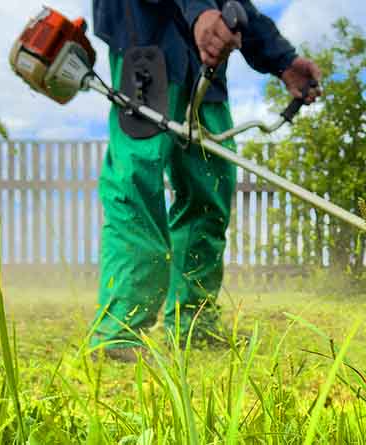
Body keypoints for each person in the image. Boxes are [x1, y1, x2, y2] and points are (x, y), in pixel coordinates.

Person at [89, 0, 322, 362]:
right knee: (137, 180)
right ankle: (121, 330)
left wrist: (283, 61)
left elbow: (235, 4)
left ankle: (192, 323)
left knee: (210, 188)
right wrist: (199, 12)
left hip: (205, 68)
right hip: (146, 47)